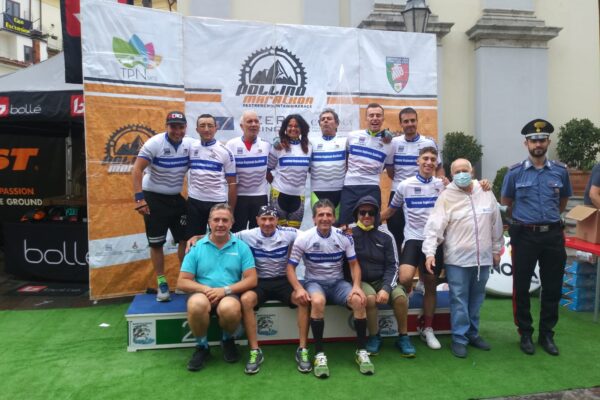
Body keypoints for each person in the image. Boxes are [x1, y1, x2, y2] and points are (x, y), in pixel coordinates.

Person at [501, 118, 572, 356]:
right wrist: (525, 221)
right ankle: (525, 333)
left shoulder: (560, 171)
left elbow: (563, 200)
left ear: (548, 142)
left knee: (553, 287)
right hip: (525, 236)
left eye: (542, 140)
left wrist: (547, 219)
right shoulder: (515, 173)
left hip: (552, 235)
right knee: (521, 287)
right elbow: (506, 203)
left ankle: (546, 334)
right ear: (526, 144)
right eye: (533, 140)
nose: (538, 144)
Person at [423, 158, 504, 358]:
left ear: (472, 171)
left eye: (464, 170)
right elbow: (434, 226)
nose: (461, 174)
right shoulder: (446, 196)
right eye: (457, 171)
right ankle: (459, 338)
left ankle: (473, 334)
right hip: (457, 259)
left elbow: (495, 222)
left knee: (477, 299)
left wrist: (496, 250)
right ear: (451, 175)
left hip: (482, 259)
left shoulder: (485, 191)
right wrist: (430, 253)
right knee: (458, 299)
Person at [287, 199, 374, 377]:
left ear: (334, 218)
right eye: (321, 215)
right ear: (314, 218)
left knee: (358, 300)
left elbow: (354, 265)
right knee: (317, 301)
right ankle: (319, 354)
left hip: (338, 284)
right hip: (314, 283)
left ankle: (361, 352)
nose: (325, 218)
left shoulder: (344, 236)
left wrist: (356, 286)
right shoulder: (304, 238)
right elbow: (290, 268)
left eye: (328, 215)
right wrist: (298, 288)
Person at [177, 203, 257, 371]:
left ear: (232, 223)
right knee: (196, 305)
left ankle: (227, 340)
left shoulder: (242, 247)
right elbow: (182, 281)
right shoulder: (196, 247)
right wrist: (206, 290)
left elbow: (251, 279)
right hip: (202, 293)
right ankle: (202, 347)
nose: (220, 224)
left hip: (228, 293)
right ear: (209, 222)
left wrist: (225, 290)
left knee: (230, 308)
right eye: (216, 220)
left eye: (225, 220)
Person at [380, 146, 445, 350]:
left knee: (431, 283)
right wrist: (367, 222)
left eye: (433, 159)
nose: (429, 162)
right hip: (412, 239)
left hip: (434, 241)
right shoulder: (405, 185)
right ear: (418, 161)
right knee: (406, 277)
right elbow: (391, 210)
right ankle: (408, 294)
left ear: (436, 163)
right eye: (425, 158)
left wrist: (482, 185)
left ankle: (427, 328)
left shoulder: (442, 185)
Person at [234, 205, 310, 374]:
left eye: (271, 219)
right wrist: (197, 237)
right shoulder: (247, 234)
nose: (267, 223)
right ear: (257, 220)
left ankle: (303, 349)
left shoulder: (289, 233)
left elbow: (311, 235)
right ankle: (255, 351)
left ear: (277, 220)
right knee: (246, 300)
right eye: (264, 219)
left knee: (303, 299)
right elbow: (223, 236)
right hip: (259, 282)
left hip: (283, 281)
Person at [132, 111, 194, 302]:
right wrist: (139, 199)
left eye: (181, 127)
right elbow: (137, 169)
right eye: (173, 127)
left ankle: (184, 280)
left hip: (176, 198)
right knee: (156, 243)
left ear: (185, 127)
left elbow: (213, 148)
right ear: (166, 126)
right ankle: (162, 282)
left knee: (185, 239)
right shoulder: (155, 143)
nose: (177, 131)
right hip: (153, 198)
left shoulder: (190, 144)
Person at [351, 196, 415, 357]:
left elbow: (393, 265)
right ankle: (374, 336)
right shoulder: (349, 233)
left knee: (400, 298)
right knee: (370, 298)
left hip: (383, 279)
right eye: (362, 212)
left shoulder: (386, 235)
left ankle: (403, 337)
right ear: (356, 214)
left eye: (371, 213)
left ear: (377, 215)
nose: (366, 216)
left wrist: (386, 288)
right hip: (361, 280)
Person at [387, 107, 443, 250]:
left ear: (417, 121)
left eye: (413, 120)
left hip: (423, 193)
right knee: (395, 230)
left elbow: (439, 167)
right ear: (401, 124)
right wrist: (405, 184)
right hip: (398, 190)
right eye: (406, 121)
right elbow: (390, 171)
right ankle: (399, 261)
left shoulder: (428, 143)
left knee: (424, 229)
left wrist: (440, 183)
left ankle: (425, 258)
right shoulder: (394, 143)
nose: (410, 124)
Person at [339, 103, 395, 226]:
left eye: (378, 115)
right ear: (366, 118)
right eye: (371, 115)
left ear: (383, 119)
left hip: (372, 187)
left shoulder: (390, 144)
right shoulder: (352, 136)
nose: (375, 118)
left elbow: (389, 168)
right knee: (345, 225)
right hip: (350, 187)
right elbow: (346, 160)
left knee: (371, 225)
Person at [187, 114, 237, 239]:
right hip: (194, 201)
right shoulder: (191, 147)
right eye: (202, 126)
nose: (206, 129)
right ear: (197, 129)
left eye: (210, 125)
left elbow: (232, 183)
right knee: (192, 240)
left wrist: (230, 210)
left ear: (216, 128)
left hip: (217, 202)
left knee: (219, 239)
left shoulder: (225, 151)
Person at [226, 110, 271, 232]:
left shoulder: (266, 145)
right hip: (239, 197)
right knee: (236, 232)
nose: (253, 124)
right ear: (242, 126)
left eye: (256, 121)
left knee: (258, 233)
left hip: (260, 196)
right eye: (249, 121)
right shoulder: (231, 144)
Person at [267, 114, 312, 228]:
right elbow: (267, 170)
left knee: (294, 233)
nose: (293, 128)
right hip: (278, 194)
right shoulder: (278, 146)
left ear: (302, 128)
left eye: (296, 126)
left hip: (298, 196)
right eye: (290, 126)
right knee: (277, 231)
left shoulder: (309, 147)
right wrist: (275, 184)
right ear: (285, 128)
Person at [309, 109, 347, 216]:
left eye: (329, 119)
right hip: (317, 191)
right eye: (323, 119)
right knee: (320, 222)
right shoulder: (310, 142)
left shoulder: (345, 141)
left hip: (340, 191)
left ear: (337, 123)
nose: (325, 121)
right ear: (319, 124)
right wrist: (278, 141)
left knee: (338, 224)